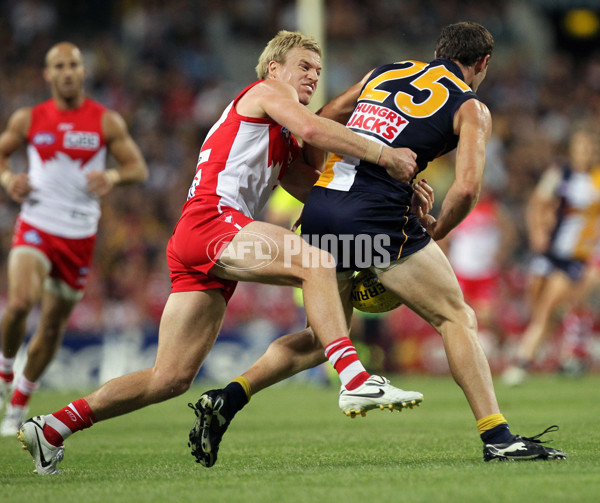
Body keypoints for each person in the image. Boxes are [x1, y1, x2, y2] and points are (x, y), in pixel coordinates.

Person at [17, 30, 425, 475]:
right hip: (214, 221)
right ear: (275, 68)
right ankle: (355, 379)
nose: (312, 77)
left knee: (169, 378)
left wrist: (394, 200)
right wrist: (385, 156)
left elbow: (316, 190)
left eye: (318, 71)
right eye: (304, 66)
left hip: (199, 238)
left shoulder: (279, 138)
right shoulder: (268, 92)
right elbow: (313, 127)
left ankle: (54, 426)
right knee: (316, 261)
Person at [191, 22, 566, 467]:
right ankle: (498, 436)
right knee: (455, 316)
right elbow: (466, 190)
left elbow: (326, 114)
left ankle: (229, 398)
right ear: (482, 63)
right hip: (374, 219)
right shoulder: (471, 107)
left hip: (322, 209)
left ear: (437, 51)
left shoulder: (386, 71)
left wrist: (331, 172)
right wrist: (437, 227)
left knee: (321, 339)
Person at [0, 42, 148, 436]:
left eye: (73, 65)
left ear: (83, 72)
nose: (67, 72)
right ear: (48, 75)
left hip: (79, 235)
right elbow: (2, 154)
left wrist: (112, 177)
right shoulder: (29, 118)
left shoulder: (105, 121)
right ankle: (3, 374)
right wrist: (7, 178)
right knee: (18, 303)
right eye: (59, 66)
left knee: (51, 327)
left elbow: (137, 168)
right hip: (36, 223)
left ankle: (18, 404)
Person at [502, 126, 600, 386]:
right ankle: (565, 353)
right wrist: (537, 232)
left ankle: (522, 362)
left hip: (576, 256)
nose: (585, 153)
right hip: (550, 251)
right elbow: (537, 203)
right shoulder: (560, 174)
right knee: (538, 306)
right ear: (572, 150)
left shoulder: (598, 179)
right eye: (581, 148)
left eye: (589, 148)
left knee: (547, 307)